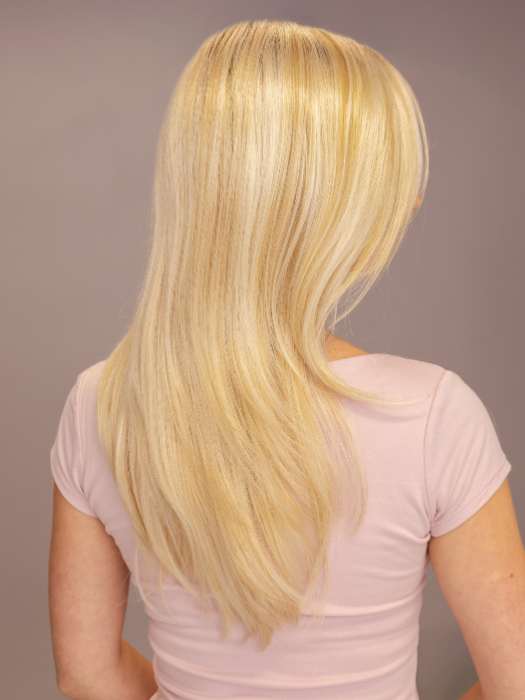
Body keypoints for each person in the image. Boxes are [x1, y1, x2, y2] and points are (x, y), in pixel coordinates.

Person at [48, 19, 524, 700]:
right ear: (330, 212)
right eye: (386, 184)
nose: (411, 202)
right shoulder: (431, 415)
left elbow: (88, 677)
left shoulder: (102, 403)